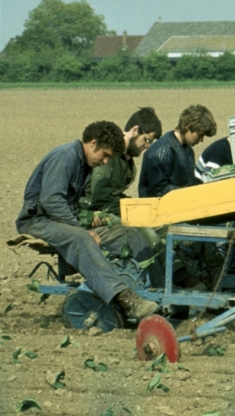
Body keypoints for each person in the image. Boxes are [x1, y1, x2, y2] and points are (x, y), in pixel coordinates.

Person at [16, 121, 159, 320]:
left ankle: (156, 290)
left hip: (60, 221)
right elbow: (52, 201)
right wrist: (81, 229)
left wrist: (90, 220)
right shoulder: (65, 157)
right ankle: (126, 299)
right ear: (93, 143)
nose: (106, 162)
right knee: (81, 238)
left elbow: (71, 206)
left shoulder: (85, 165)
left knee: (127, 233)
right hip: (37, 221)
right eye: (105, 155)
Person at [80, 107, 163, 219]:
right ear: (135, 130)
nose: (147, 146)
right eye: (146, 140)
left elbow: (113, 195)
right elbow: (100, 197)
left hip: (106, 212)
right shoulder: (109, 153)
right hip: (91, 214)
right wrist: (133, 210)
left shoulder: (127, 160)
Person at [139, 105, 216, 198]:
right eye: (199, 135)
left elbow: (188, 183)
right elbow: (159, 190)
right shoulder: (163, 150)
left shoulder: (188, 150)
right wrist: (190, 193)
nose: (201, 140)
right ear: (188, 127)